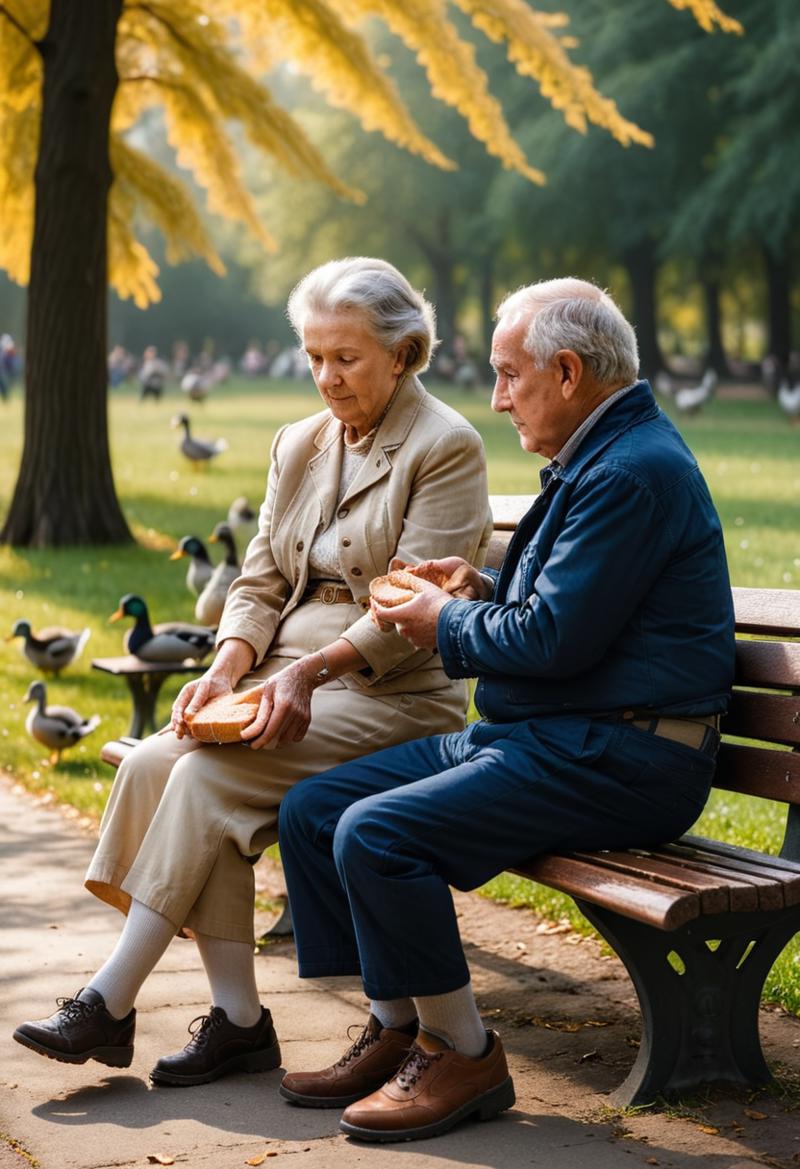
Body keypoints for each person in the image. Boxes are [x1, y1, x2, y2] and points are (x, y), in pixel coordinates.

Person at [276, 277, 736, 1143]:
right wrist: (480, 585)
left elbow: (552, 640)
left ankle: (465, 1052)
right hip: (555, 735)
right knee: (315, 809)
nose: (495, 397)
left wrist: (442, 619)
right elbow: (567, 611)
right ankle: (402, 1024)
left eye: (508, 375)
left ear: (566, 371)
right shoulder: (603, 454)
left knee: (377, 834)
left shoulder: (633, 472)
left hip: (625, 757)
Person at [13, 257, 493, 1087]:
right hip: (280, 677)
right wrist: (227, 664)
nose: (324, 376)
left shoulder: (444, 444)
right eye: (313, 355)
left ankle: (110, 1000)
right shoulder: (299, 441)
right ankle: (239, 1020)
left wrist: (305, 675)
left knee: (203, 777)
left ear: (402, 352)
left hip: (392, 697)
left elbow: (416, 609)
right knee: (160, 761)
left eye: (345, 357)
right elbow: (262, 577)